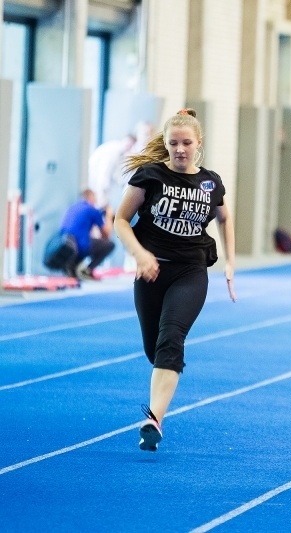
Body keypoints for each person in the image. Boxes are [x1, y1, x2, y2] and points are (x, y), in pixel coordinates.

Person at [114, 109, 236, 452]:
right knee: (154, 348)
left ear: (199, 143)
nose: (180, 149)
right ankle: (160, 393)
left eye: (186, 143)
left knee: (171, 339)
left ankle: (154, 419)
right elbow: (120, 220)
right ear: (166, 144)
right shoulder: (150, 175)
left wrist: (230, 262)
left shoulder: (211, 182)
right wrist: (140, 254)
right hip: (151, 271)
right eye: (173, 143)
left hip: (190, 272)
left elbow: (225, 218)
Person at [49, 189, 115, 279]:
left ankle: (72, 265)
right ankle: (88, 270)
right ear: (91, 197)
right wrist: (109, 216)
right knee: (110, 245)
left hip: (65, 244)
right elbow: (106, 234)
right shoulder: (91, 209)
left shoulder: (72, 207)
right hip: (79, 246)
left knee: (86, 241)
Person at [88, 134, 136, 210]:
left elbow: (117, 174)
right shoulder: (115, 149)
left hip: (101, 182)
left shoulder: (119, 152)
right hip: (99, 180)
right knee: (100, 205)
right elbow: (105, 171)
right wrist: (103, 202)